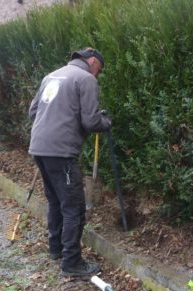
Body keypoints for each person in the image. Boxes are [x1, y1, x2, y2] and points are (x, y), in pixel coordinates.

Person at [28, 47, 112, 277]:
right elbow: (92, 121)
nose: (98, 75)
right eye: (99, 70)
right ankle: (72, 263)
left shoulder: (51, 76)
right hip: (61, 153)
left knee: (55, 202)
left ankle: (56, 249)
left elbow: (32, 112)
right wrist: (106, 122)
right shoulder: (86, 79)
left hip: (39, 147)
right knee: (74, 207)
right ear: (93, 61)